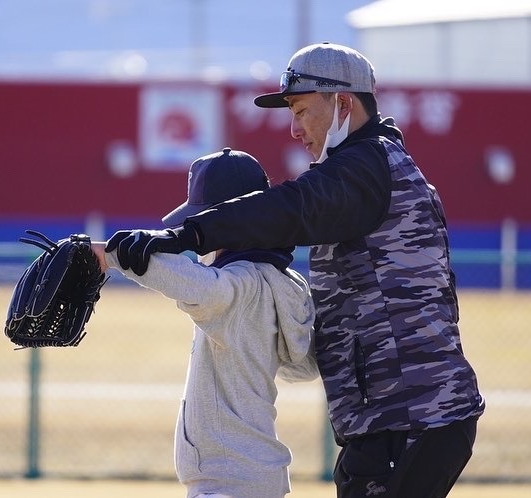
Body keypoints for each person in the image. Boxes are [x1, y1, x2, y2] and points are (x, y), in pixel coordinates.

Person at [108, 42, 485, 498]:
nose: (294, 129)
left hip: (410, 415)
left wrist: (182, 236)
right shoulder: (374, 168)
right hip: (406, 416)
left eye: (302, 110)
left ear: (343, 103)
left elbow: (290, 207)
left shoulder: (364, 169)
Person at [94, 147, 318, 498]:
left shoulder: (239, 287)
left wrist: (107, 254)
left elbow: (199, 286)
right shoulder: (281, 282)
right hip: (255, 477)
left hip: (229, 481)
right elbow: (299, 368)